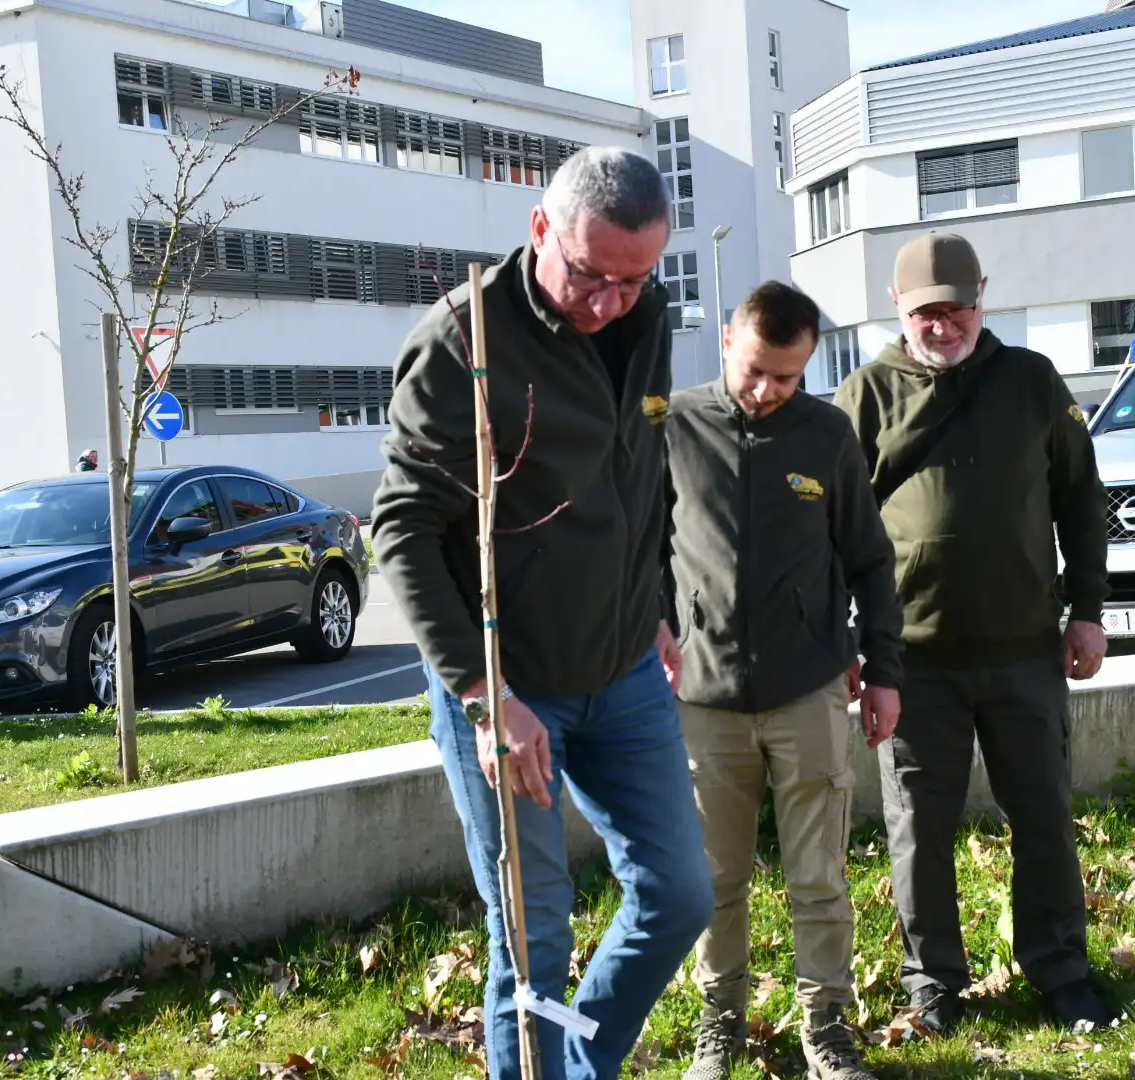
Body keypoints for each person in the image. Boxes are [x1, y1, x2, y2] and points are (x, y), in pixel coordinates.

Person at [370, 146, 714, 1080]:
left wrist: (654, 603)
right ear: (538, 231)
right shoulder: (462, 342)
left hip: (625, 674)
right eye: (590, 274)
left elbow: (641, 474)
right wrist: (487, 695)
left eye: (634, 280)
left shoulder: (646, 318)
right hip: (509, 686)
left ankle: (577, 1064)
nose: (608, 301)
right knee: (533, 934)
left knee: (682, 895)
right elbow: (401, 531)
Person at [832, 231, 1113, 1033]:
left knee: (1046, 819)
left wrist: (1087, 610)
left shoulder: (1030, 381)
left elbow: (1080, 500)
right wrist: (852, 645)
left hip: (1025, 650)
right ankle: (934, 982)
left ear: (983, 297)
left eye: (957, 310)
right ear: (898, 307)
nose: (943, 326)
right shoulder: (867, 394)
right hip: (912, 661)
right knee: (919, 830)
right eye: (927, 312)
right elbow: (831, 528)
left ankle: (1061, 969)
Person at [664, 282, 904, 1080]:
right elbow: (633, 552)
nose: (768, 391)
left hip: (809, 691)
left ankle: (827, 1028)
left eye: (789, 378)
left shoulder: (828, 434)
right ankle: (719, 1023)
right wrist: (653, 635)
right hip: (704, 698)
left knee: (820, 878)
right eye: (759, 370)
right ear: (729, 338)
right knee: (714, 880)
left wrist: (884, 672)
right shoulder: (675, 425)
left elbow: (871, 558)